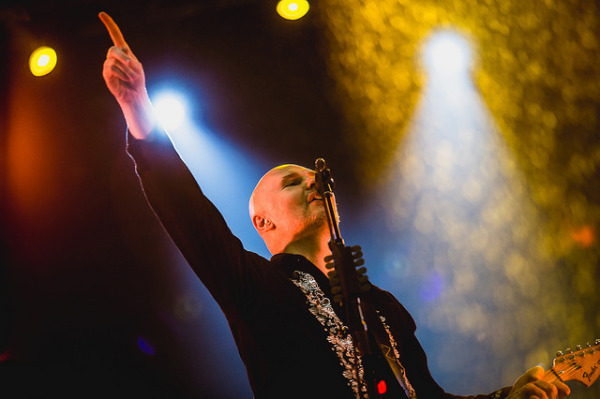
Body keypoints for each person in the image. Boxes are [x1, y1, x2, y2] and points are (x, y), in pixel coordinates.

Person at [99, 11, 571, 399]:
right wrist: (139, 107)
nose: (311, 182)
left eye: (312, 176)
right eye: (291, 181)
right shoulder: (257, 289)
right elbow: (189, 213)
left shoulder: (382, 309)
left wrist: (508, 396)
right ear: (262, 221)